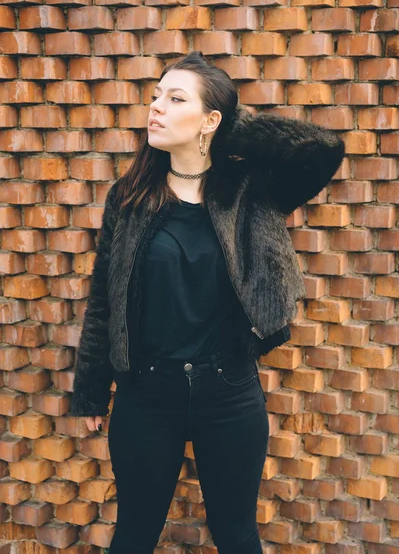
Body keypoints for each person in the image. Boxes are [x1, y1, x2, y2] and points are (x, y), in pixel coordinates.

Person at [69, 51, 345, 554]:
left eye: (175, 99)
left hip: (229, 392)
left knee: (237, 536)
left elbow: (321, 149)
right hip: (146, 395)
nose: (155, 107)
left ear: (211, 119)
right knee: (133, 536)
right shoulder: (129, 196)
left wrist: (230, 127)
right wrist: (91, 387)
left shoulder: (252, 190)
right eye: (155, 95)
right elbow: (104, 298)